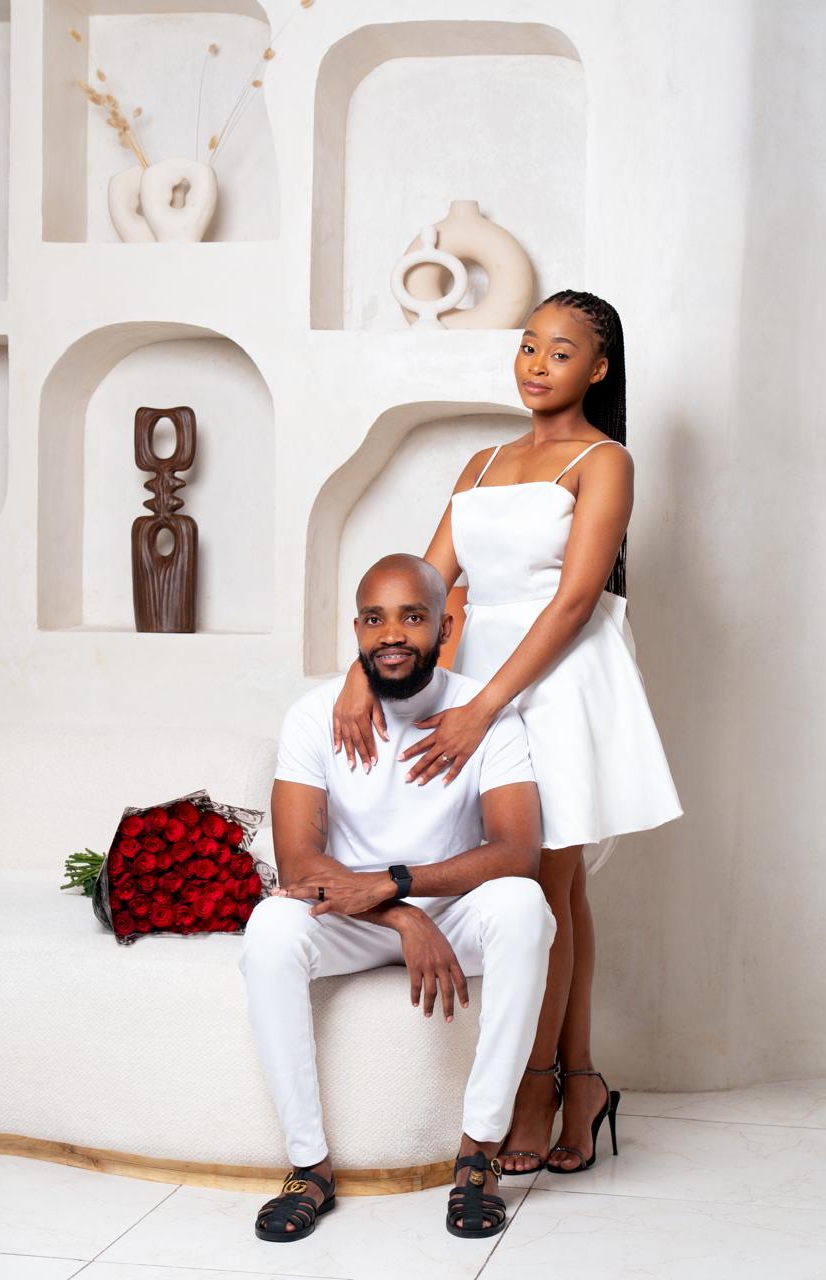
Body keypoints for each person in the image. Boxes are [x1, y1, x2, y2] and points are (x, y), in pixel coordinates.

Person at [333, 290, 683, 1176]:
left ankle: (537, 1088)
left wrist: (484, 707)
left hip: (557, 681)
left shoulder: (604, 461)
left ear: (597, 369)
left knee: (543, 877)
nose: (536, 364)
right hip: (481, 673)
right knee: (556, 887)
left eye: (560, 352)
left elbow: (575, 599)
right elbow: (426, 582)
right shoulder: (482, 462)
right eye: (528, 345)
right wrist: (357, 675)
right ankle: (582, 1081)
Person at [239, 553, 556, 1242]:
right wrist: (401, 915)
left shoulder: (485, 714)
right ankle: (309, 1167)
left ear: (445, 627)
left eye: (412, 617)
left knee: (525, 909)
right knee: (270, 928)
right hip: (353, 917)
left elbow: (516, 852)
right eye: (375, 618)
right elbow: (299, 862)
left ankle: (477, 1155)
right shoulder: (314, 715)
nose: (392, 634)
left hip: (451, 913)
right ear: (356, 629)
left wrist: (401, 883)